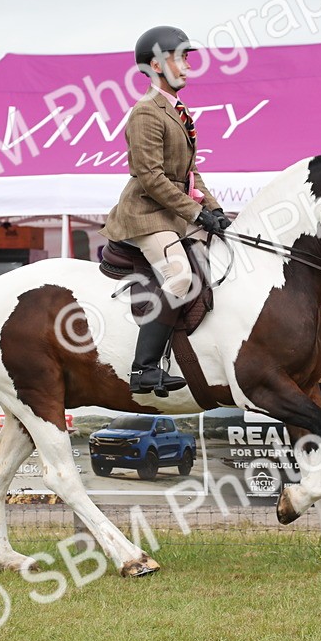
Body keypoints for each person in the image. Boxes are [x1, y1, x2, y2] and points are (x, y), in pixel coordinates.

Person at [101, 25, 231, 394]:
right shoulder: (145, 113)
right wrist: (195, 213)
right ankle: (144, 369)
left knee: (225, 251)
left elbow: (190, 173)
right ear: (157, 65)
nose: (189, 67)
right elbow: (150, 177)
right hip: (144, 213)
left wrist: (217, 211)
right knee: (180, 277)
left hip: (172, 210)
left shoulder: (178, 110)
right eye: (182, 58)